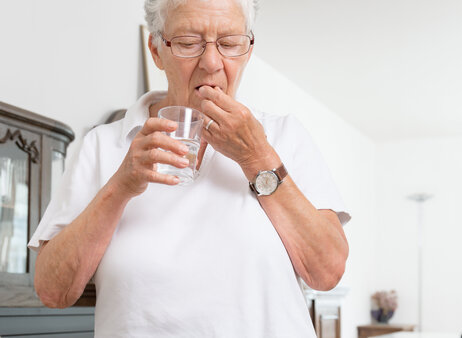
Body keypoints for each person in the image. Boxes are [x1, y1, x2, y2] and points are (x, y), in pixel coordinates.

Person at [29, 0, 350, 336]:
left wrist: (257, 158)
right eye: (188, 43)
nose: (211, 62)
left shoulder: (284, 135)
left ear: (247, 51)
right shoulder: (102, 145)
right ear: (156, 50)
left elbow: (327, 273)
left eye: (229, 43)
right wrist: (121, 186)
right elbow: (53, 291)